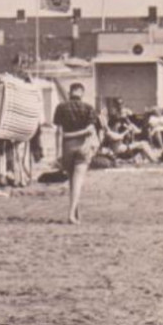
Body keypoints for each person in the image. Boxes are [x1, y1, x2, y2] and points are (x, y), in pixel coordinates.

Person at [53, 82, 101, 224]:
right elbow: (91, 130)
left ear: (70, 92)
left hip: (67, 146)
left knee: (72, 181)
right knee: (78, 181)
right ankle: (71, 214)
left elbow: (58, 132)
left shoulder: (61, 107)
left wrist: (58, 153)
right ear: (82, 93)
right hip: (83, 145)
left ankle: (74, 211)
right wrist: (83, 134)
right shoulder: (88, 108)